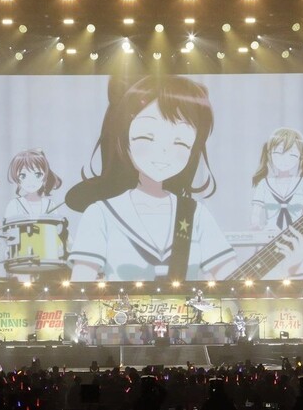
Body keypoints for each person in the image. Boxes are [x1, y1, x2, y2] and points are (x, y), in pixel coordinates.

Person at [66, 75, 236, 282]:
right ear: (123, 136)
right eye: (147, 137)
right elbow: (81, 284)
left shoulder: (194, 214)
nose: (163, 151)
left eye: (180, 143)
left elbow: (231, 277)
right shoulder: (100, 214)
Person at [250, 127, 303, 278]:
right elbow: (255, 214)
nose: (285, 159)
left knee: (299, 281)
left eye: (292, 154)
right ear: (269, 155)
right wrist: (255, 226)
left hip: (297, 241)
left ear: (300, 158)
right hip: (269, 240)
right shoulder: (263, 184)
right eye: (278, 153)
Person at [4, 149, 63, 222]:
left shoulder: (50, 205)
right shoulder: (14, 204)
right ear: (16, 178)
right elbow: (7, 227)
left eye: (38, 174)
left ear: (45, 176)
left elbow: (56, 227)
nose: (30, 181)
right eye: (23, 175)